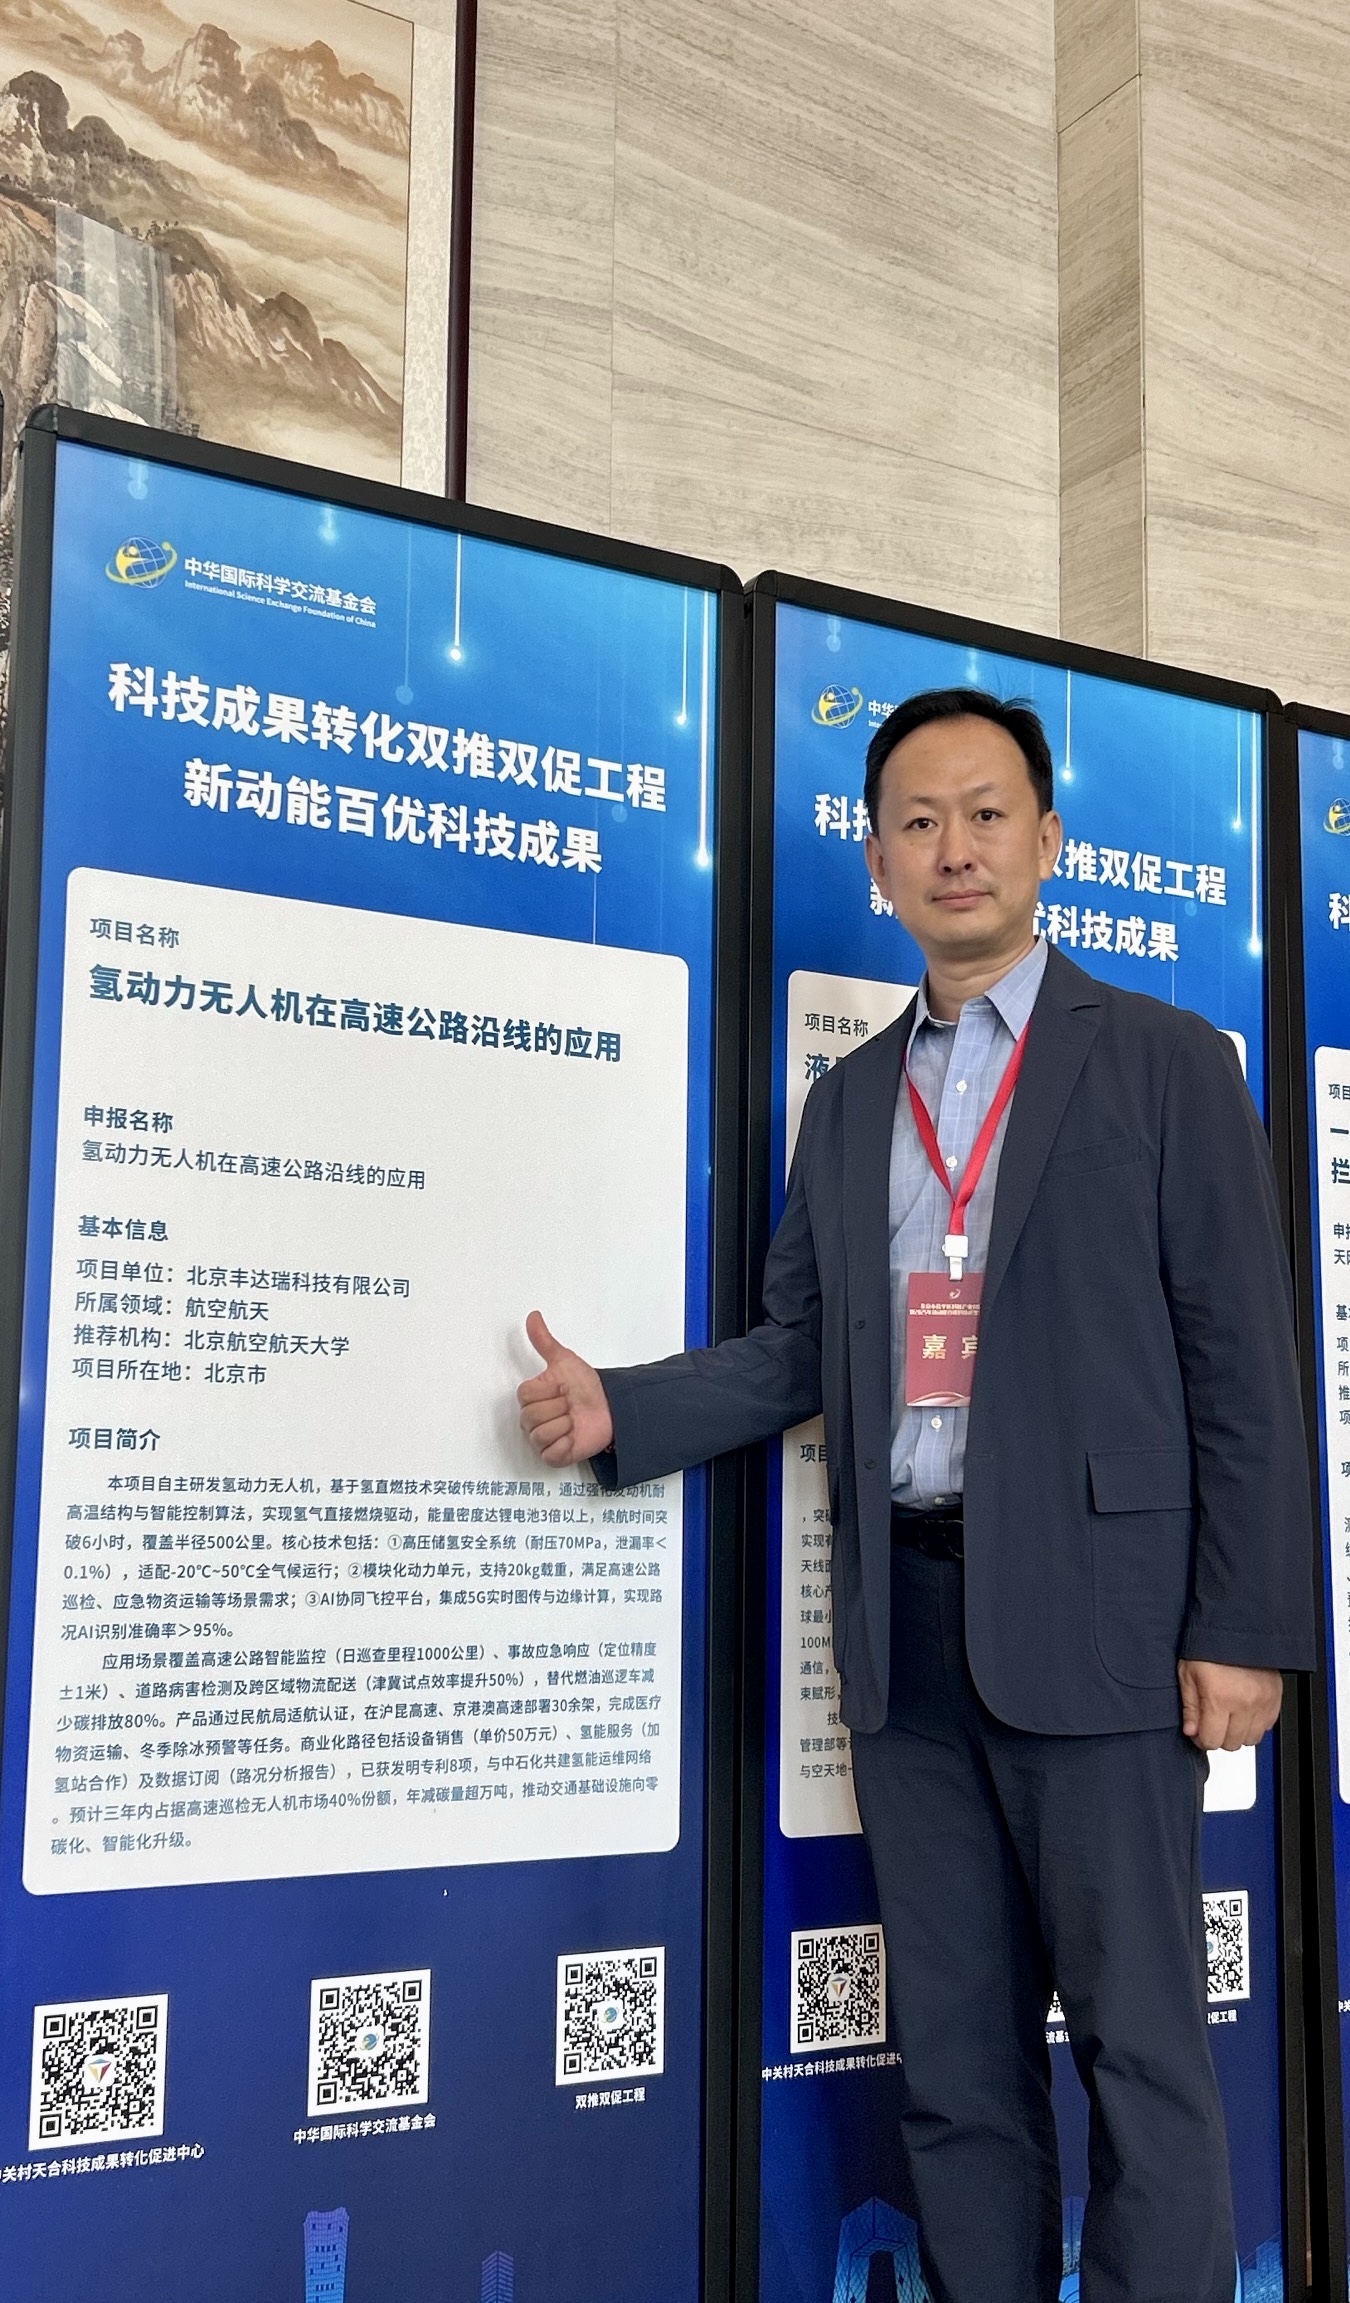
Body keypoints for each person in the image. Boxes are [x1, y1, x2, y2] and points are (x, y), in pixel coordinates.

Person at [516, 687, 1315, 2303]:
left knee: (1140, 2049)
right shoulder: (847, 1101)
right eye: (917, 821)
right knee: (952, 2060)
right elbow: (801, 1345)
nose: (954, 847)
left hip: (1105, 1632)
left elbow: (1243, 1362)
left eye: (985, 813)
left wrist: (1243, 1625)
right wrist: (624, 1408)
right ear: (876, 861)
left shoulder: (1164, 1063)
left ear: (1047, 842)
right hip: (907, 1634)